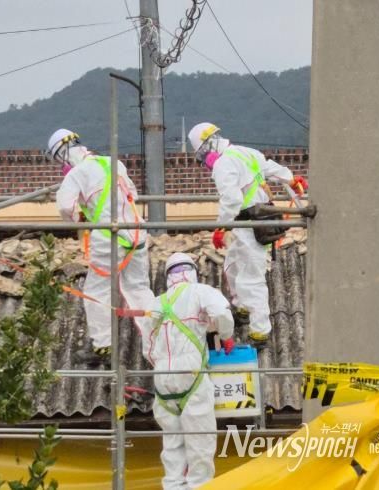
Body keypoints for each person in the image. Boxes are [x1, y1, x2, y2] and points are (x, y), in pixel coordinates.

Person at [187, 122, 308, 348]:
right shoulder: (244, 152)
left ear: (206, 148)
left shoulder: (223, 164)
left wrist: (221, 227)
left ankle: (260, 332)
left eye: (202, 155)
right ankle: (242, 308)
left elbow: (231, 200)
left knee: (251, 280)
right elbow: (270, 167)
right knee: (232, 266)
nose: (204, 162)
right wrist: (291, 179)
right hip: (253, 221)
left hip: (248, 224)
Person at [49, 128, 154, 365]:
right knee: (138, 289)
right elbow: (133, 195)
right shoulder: (113, 162)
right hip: (136, 234)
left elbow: (66, 207)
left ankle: (103, 346)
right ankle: (158, 336)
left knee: (96, 291)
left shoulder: (76, 174)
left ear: (62, 153)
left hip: (109, 238)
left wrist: (79, 218)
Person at [142, 252, 235, 490]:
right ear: (192, 272)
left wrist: (162, 364)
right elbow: (221, 312)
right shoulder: (200, 291)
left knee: (173, 442)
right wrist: (226, 334)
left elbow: (147, 347)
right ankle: (199, 486)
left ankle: (173, 485)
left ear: (168, 277)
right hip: (191, 372)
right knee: (200, 439)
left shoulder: (156, 303)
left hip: (163, 376)